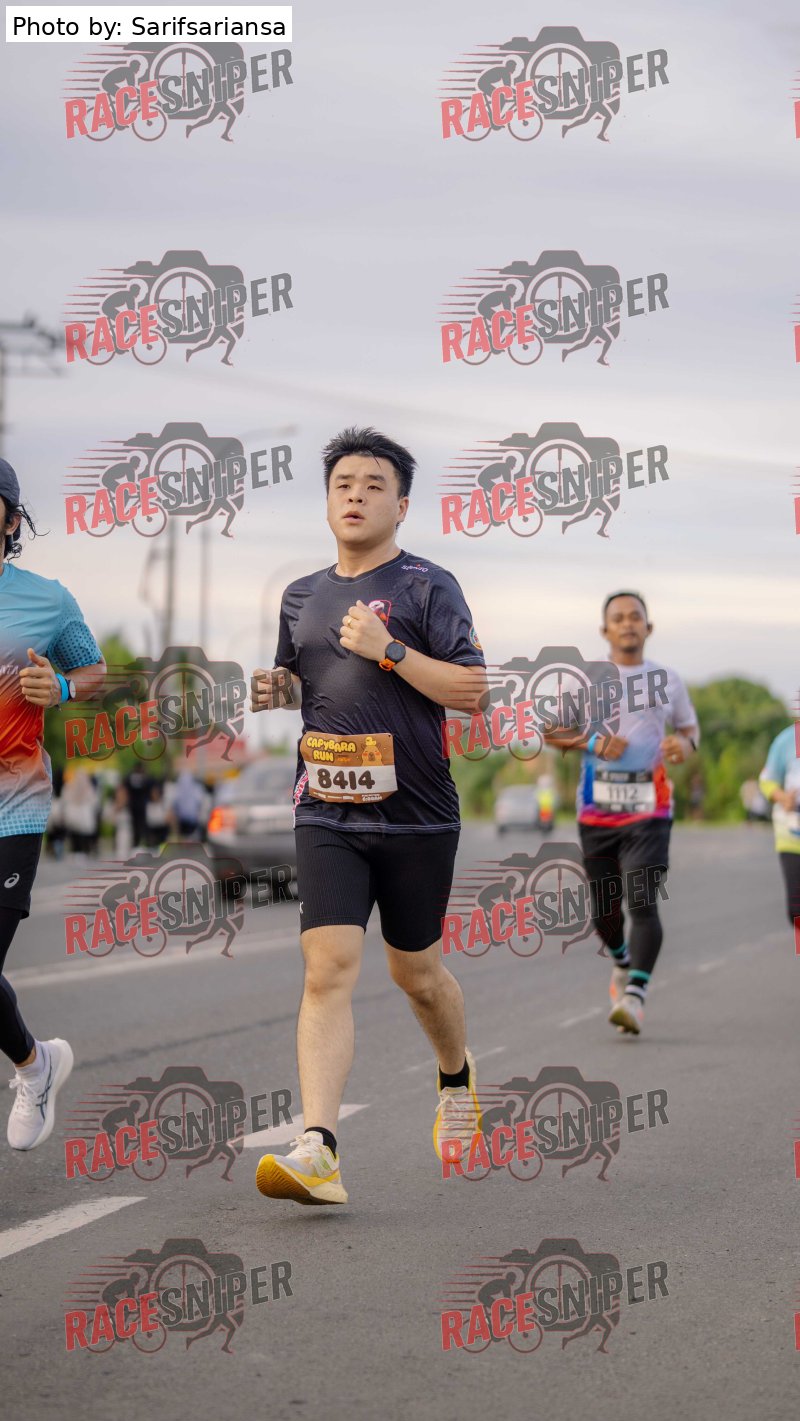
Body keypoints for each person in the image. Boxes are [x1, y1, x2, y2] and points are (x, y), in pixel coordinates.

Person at [250, 426, 487, 1205]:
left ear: (402, 504)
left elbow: (472, 690)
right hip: (325, 808)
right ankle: (318, 1147)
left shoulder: (428, 586)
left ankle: (455, 1076)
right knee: (327, 968)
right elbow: (306, 681)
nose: (355, 495)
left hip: (417, 814)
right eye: (342, 484)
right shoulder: (300, 595)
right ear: (327, 501)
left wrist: (389, 649)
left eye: (373, 484)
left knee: (415, 973)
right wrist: (276, 690)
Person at [0, 457, 105, 1149]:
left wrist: (62, 689)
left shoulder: (47, 600)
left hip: (14, 804)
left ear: (10, 520)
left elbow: (93, 668)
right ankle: (36, 1065)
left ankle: (35, 1069)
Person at [546, 591, 699, 1036]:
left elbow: (689, 729)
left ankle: (635, 996)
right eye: (619, 618)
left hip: (651, 810)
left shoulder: (668, 680)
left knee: (642, 898)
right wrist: (594, 742)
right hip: (598, 813)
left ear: (648, 627)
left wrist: (683, 745)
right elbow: (551, 731)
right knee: (604, 912)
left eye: (636, 617)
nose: (628, 623)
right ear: (605, 630)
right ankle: (621, 960)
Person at [758, 725, 800, 941]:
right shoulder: (786, 740)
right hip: (792, 834)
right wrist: (782, 797)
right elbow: (767, 780)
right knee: (796, 910)